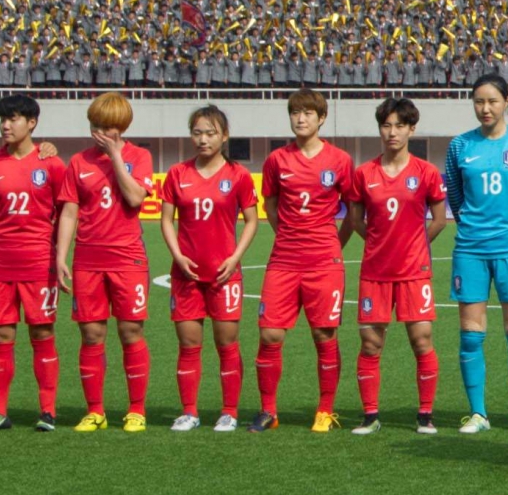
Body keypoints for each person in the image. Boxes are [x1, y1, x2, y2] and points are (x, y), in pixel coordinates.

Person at [443, 73, 508, 435]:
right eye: (479, 102)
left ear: (506, 102)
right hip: (470, 250)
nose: (485, 108)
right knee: (471, 334)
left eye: (492, 101)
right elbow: (455, 195)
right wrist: (473, 229)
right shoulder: (459, 145)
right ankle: (478, 414)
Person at [254, 87, 354, 432]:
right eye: (295, 112)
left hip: (324, 262)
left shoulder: (340, 160)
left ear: (321, 118)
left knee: (324, 335)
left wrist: (333, 244)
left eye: (308, 113)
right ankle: (268, 411)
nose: (300, 119)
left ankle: (325, 410)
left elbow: (352, 211)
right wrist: (287, 234)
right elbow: (269, 205)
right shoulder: (276, 160)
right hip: (283, 259)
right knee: (270, 334)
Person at [352, 95, 450, 436]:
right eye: (386, 125)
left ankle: (425, 416)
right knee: (370, 344)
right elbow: (356, 220)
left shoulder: (426, 172)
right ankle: (370, 416)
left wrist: (414, 245)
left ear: (412, 129)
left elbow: (439, 220)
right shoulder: (364, 173)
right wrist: (380, 244)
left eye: (400, 126)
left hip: (414, 273)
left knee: (421, 341)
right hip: (375, 272)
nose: (392, 132)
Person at [0, 94, 73, 431]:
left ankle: (47, 411)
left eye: (13, 118)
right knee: (1, 334)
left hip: (38, 262)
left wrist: (57, 254)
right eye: (2, 119)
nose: (5, 125)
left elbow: (65, 212)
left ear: (31, 123)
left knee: (42, 332)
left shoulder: (52, 164)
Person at [160, 104, 258, 433]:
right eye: (197, 133)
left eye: (210, 133)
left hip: (224, 275)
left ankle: (229, 411)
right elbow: (166, 220)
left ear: (224, 136)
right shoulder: (177, 173)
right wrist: (177, 256)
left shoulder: (238, 175)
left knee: (227, 344)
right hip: (186, 275)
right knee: (188, 345)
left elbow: (252, 220)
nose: (203, 139)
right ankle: (189, 411)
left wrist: (235, 257)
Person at [64, 93, 156, 432]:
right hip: (87, 259)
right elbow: (70, 211)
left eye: (107, 127)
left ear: (122, 128)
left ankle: (136, 410)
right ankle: (95, 411)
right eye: (95, 126)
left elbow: (134, 198)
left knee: (130, 331)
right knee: (91, 333)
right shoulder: (78, 161)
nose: (100, 133)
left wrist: (116, 156)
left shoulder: (140, 156)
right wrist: (60, 256)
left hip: (127, 258)